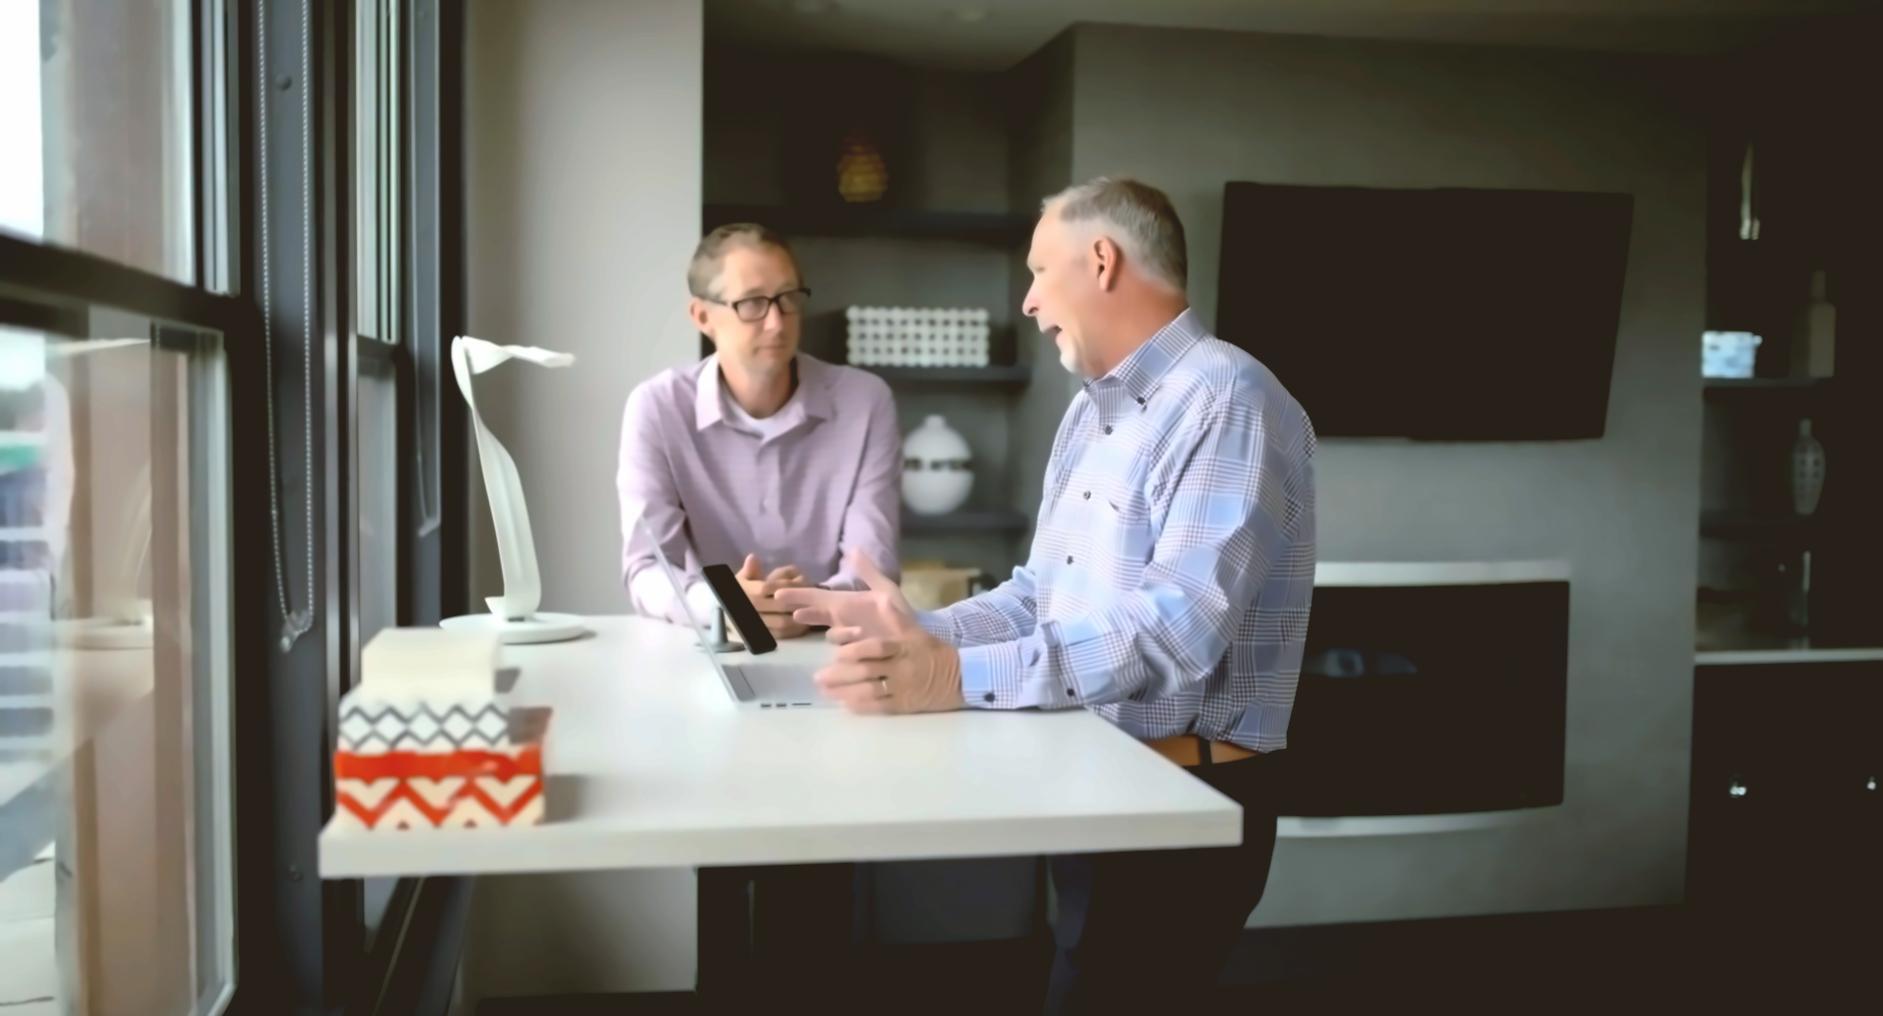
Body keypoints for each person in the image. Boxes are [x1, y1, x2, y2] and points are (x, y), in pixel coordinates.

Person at [778, 177, 1317, 1014]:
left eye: (1037, 270)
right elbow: (1039, 595)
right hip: (1102, 775)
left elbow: (1177, 631)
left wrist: (952, 679)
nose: (1027, 302)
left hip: (1181, 803)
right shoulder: (1088, 415)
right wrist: (909, 631)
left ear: (1101, 260)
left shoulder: (1226, 400)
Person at [616, 222, 901, 634]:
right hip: (711, 643)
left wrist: (804, 605)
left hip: (830, 640)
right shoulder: (658, 408)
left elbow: (875, 567)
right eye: (751, 303)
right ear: (702, 316)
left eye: (787, 298)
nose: (776, 323)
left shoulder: (865, 402)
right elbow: (646, 568)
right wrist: (728, 605)